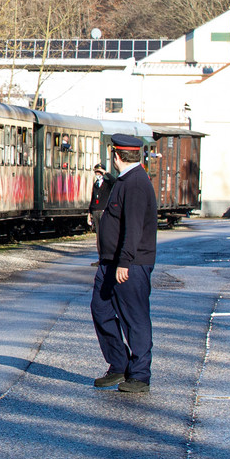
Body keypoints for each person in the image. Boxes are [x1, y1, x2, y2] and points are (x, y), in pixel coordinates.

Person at [90, 135, 157, 393]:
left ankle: (140, 375)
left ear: (116, 156)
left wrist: (125, 262)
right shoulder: (125, 180)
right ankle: (119, 365)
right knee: (101, 310)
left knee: (134, 318)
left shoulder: (136, 183)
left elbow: (134, 227)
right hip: (110, 262)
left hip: (130, 263)